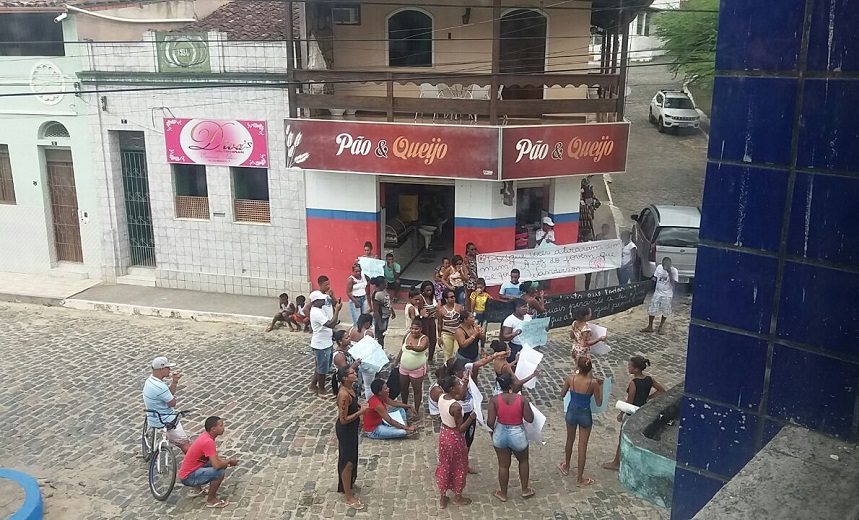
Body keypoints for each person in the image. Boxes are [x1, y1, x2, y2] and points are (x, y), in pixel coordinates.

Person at [603, 356, 666, 471]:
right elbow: (662, 390)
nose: (628, 368)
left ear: (636, 369)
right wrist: (648, 398)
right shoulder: (649, 379)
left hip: (632, 413)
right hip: (643, 411)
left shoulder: (633, 383)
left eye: (630, 366)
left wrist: (621, 413)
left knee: (623, 437)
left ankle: (616, 462)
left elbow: (630, 401)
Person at [487, 373, 535, 502]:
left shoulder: (494, 400)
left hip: (501, 433)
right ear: (510, 385)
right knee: (523, 461)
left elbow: (490, 422)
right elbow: (529, 419)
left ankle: (503, 493)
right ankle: (524, 490)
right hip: (517, 433)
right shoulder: (522, 400)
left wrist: (493, 433)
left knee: (503, 465)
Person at [558, 356, 604, 487]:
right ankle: (579, 478)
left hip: (572, 411)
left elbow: (562, 394)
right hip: (585, 414)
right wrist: (600, 386)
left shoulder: (570, 378)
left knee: (569, 440)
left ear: (578, 367)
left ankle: (566, 466)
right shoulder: (593, 383)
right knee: (582, 446)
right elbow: (599, 403)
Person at [177, 416, 238, 508]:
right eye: (221, 426)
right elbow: (217, 465)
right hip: (187, 477)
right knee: (220, 472)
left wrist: (225, 462)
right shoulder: (208, 442)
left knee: (217, 463)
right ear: (213, 429)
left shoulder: (205, 436)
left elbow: (214, 458)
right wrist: (229, 462)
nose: (223, 428)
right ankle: (211, 499)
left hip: (188, 471)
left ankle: (197, 489)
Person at [435, 376, 474, 508]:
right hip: (454, 438)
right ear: (452, 388)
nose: (460, 384)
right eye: (459, 384)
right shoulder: (456, 407)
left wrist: (466, 383)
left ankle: (442, 496)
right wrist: (472, 417)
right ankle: (458, 496)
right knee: (459, 465)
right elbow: (461, 429)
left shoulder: (442, 397)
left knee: (444, 464)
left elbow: (459, 396)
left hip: (444, 434)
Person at [335, 366, 369, 510]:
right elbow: (343, 419)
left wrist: (358, 408)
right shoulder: (343, 394)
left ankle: (348, 484)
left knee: (352, 458)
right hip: (346, 430)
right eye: (351, 373)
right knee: (347, 461)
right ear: (344, 378)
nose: (355, 374)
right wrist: (360, 413)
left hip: (352, 428)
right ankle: (348, 496)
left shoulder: (351, 389)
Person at [143, 356, 191, 453]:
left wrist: (174, 382)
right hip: (165, 419)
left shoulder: (150, 381)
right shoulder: (160, 387)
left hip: (152, 418)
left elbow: (168, 395)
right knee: (185, 444)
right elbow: (172, 403)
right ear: (161, 370)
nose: (170, 369)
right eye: (167, 367)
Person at [309, 290, 342, 398]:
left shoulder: (319, 310)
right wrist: (337, 311)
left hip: (325, 341)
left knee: (321, 366)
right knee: (322, 368)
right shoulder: (316, 313)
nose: (323, 300)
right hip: (321, 344)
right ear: (315, 302)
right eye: (321, 299)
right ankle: (322, 390)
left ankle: (313, 385)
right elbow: (331, 324)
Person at [397, 319, 430, 415]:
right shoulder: (407, 335)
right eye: (412, 328)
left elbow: (421, 348)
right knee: (403, 389)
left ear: (421, 329)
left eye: (416, 329)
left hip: (417, 370)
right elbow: (402, 349)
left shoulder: (424, 339)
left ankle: (416, 410)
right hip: (403, 368)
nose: (414, 331)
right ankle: (404, 407)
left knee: (417, 390)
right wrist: (396, 361)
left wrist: (413, 348)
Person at [642, 257, 679, 334]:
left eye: (665, 265)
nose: (664, 267)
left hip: (667, 294)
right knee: (652, 309)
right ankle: (650, 326)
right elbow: (655, 277)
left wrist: (670, 273)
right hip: (657, 292)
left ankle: (661, 327)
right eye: (663, 265)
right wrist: (653, 279)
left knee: (665, 311)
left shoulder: (674, 271)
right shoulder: (659, 267)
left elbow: (674, 284)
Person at [348, 314, 377, 399]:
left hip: (353, 360)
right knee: (368, 386)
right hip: (365, 361)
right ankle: (369, 401)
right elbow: (372, 349)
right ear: (367, 323)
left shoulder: (350, 330)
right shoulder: (368, 333)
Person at [454, 311, 484, 379]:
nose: (474, 319)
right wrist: (474, 335)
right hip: (463, 357)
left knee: (474, 376)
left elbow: (483, 338)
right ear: (465, 320)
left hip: (475, 356)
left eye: (473, 317)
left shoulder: (475, 327)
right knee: (463, 376)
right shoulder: (459, 330)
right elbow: (463, 344)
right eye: (471, 317)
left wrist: (480, 333)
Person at [500, 298, 531, 363]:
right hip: (516, 347)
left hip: (527, 345)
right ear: (517, 308)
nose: (526, 309)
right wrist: (514, 334)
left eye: (527, 307)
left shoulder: (528, 317)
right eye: (524, 307)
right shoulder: (510, 320)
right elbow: (505, 336)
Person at [332, 329, 362, 394]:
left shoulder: (348, 347)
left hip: (353, 378)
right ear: (340, 341)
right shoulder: (339, 356)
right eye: (346, 338)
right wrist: (354, 365)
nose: (349, 338)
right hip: (346, 383)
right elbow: (345, 372)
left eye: (349, 336)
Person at [438, 289, 464, 364]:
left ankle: (455, 369)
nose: (453, 298)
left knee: (457, 353)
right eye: (451, 297)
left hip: (458, 334)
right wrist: (439, 337)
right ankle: (447, 369)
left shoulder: (459, 307)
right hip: (447, 334)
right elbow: (440, 324)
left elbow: (463, 320)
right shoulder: (441, 310)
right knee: (448, 354)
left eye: (454, 296)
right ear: (446, 299)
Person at [419, 281, 440, 363]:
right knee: (425, 340)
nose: (429, 292)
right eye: (427, 290)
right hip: (424, 321)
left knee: (433, 340)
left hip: (432, 321)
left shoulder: (433, 298)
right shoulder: (421, 298)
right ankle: (422, 357)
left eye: (430, 290)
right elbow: (422, 312)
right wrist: (434, 311)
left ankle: (430, 358)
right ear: (423, 290)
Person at [371, 277, 395, 347]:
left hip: (386, 316)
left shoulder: (384, 291)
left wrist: (392, 311)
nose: (387, 284)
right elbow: (376, 311)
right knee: (379, 336)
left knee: (383, 334)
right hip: (381, 317)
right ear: (381, 284)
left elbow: (387, 303)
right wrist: (380, 324)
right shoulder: (377, 295)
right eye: (385, 283)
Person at [346, 263, 371, 327]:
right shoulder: (351, 280)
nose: (358, 273)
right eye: (356, 271)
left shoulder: (363, 276)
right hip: (355, 299)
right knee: (357, 320)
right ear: (353, 271)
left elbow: (369, 280)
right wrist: (356, 302)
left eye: (359, 271)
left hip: (363, 298)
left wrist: (367, 284)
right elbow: (348, 292)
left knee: (364, 318)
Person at [469, 278, 491, 350]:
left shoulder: (486, 295)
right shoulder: (473, 294)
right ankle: (474, 347)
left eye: (481, 287)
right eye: (478, 287)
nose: (479, 289)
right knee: (475, 331)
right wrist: (475, 296)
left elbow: (491, 302)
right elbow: (472, 306)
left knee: (483, 332)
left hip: (484, 315)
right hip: (476, 314)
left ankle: (482, 347)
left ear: (484, 287)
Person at [595, 223, 614, 288]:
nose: (606, 231)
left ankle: (606, 287)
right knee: (599, 273)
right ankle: (596, 287)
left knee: (607, 274)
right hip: (600, 258)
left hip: (607, 258)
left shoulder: (611, 238)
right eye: (605, 229)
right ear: (602, 229)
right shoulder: (599, 236)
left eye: (607, 230)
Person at [464, 243, 479, 308]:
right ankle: (469, 309)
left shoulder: (476, 256)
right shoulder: (466, 258)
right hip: (470, 279)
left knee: (476, 294)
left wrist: (478, 255)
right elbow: (469, 269)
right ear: (468, 250)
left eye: (475, 249)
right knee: (469, 295)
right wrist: (474, 277)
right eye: (472, 249)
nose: (474, 251)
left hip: (476, 277)